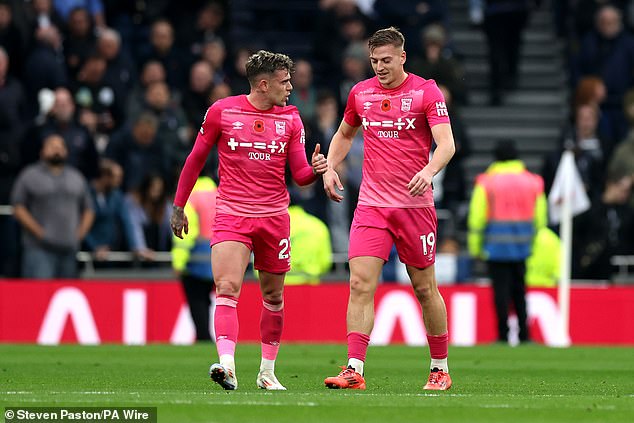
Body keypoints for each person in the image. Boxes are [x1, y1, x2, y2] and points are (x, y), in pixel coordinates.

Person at [170, 50, 327, 391]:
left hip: (273, 218)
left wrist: (315, 171)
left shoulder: (292, 120)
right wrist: (179, 205)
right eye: (285, 82)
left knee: (273, 297)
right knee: (226, 289)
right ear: (264, 83)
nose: (290, 87)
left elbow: (299, 175)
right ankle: (227, 366)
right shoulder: (222, 111)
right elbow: (196, 158)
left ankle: (267, 372)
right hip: (232, 214)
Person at [321, 27, 456, 391]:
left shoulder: (425, 91)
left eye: (386, 60)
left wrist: (428, 172)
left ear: (402, 57)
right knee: (360, 283)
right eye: (374, 61)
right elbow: (345, 134)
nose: (379, 67)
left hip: (414, 207)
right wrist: (331, 167)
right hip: (372, 206)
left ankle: (440, 368)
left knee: (425, 288)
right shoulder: (360, 93)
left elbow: (446, 145)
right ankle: (354, 368)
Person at [467, 139, 546, 343]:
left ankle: (502, 335)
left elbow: (477, 217)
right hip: (522, 246)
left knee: (500, 292)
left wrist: (476, 247)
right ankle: (524, 335)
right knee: (520, 291)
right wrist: (534, 242)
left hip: (496, 247)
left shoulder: (487, 182)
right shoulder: (533, 181)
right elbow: (540, 217)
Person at [11, 134, 94, 278]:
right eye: (52, 146)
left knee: (65, 295)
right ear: (42, 151)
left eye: (61, 146)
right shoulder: (29, 175)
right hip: (38, 248)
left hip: (69, 248)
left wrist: (79, 234)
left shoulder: (76, 177)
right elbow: (18, 207)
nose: (57, 149)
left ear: (66, 151)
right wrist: (39, 232)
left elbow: (89, 209)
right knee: (38, 295)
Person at [171, 173, 218, 342]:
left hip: (197, 256)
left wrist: (178, 261)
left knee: (196, 298)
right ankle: (207, 336)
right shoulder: (218, 193)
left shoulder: (191, 196)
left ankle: (203, 336)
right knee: (207, 297)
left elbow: (186, 233)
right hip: (218, 252)